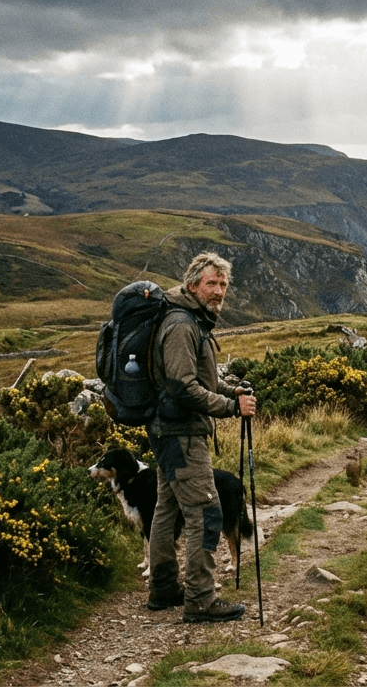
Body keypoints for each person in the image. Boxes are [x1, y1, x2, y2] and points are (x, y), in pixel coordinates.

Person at [145, 252, 255, 623]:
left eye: (223, 284)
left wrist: (232, 391)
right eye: (212, 283)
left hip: (168, 430)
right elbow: (182, 387)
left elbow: (201, 380)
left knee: (167, 508)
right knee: (206, 513)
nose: (219, 291)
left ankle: (163, 589)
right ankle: (201, 599)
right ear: (193, 284)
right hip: (181, 433)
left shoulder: (192, 320)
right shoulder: (182, 324)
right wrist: (229, 408)